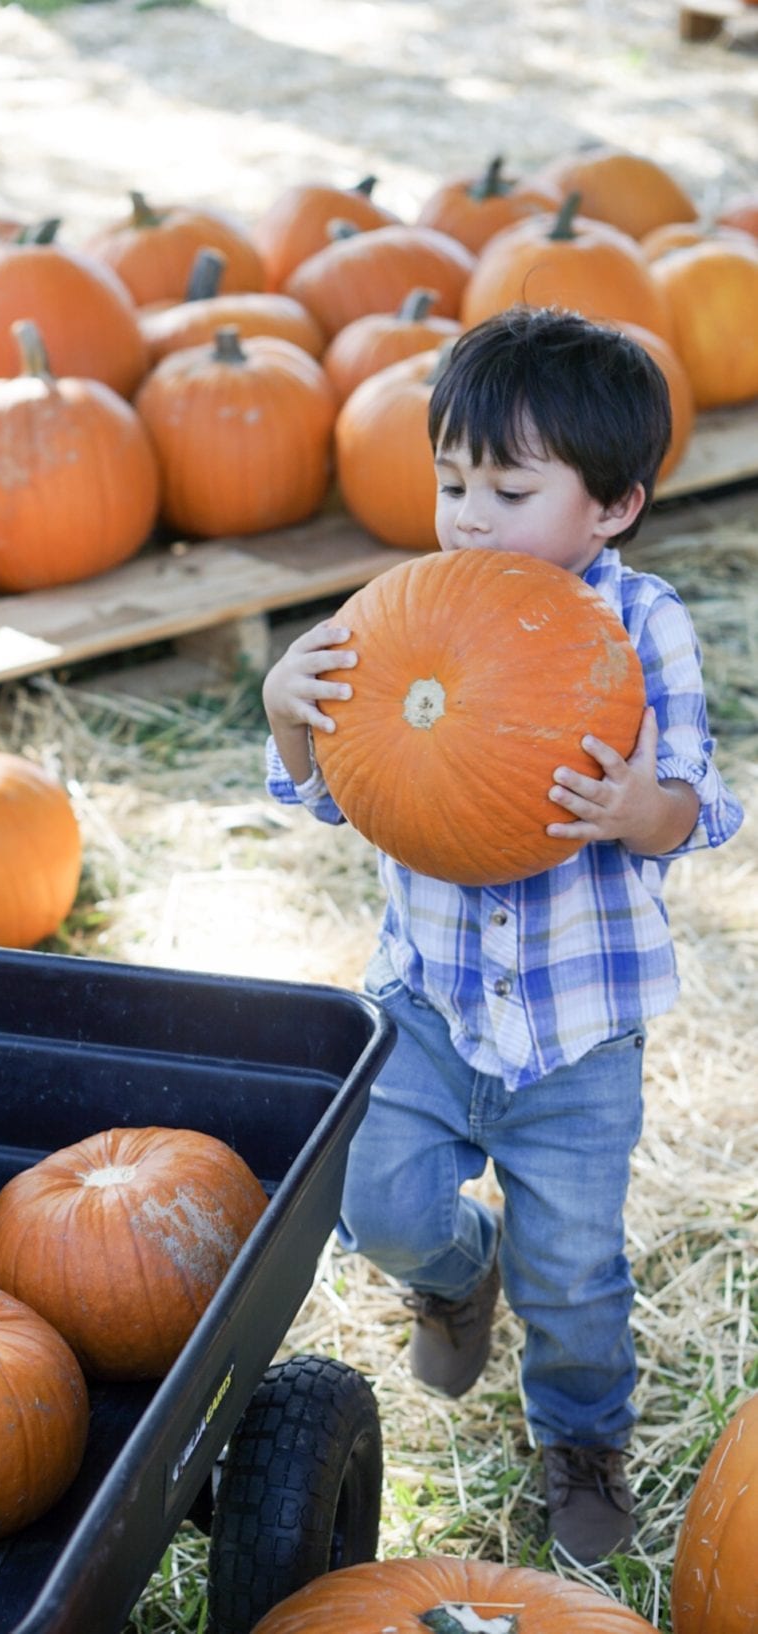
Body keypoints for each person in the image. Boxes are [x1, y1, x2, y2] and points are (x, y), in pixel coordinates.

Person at [261, 305, 744, 1567]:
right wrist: (286, 715)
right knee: (372, 1204)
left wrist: (641, 809)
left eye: (508, 488)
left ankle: (583, 1439)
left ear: (614, 506)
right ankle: (452, 1268)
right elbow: (335, 791)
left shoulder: (647, 632)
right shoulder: (399, 615)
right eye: (452, 481)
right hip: (426, 1002)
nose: (469, 514)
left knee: (576, 1274)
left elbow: (701, 805)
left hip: (578, 1041)